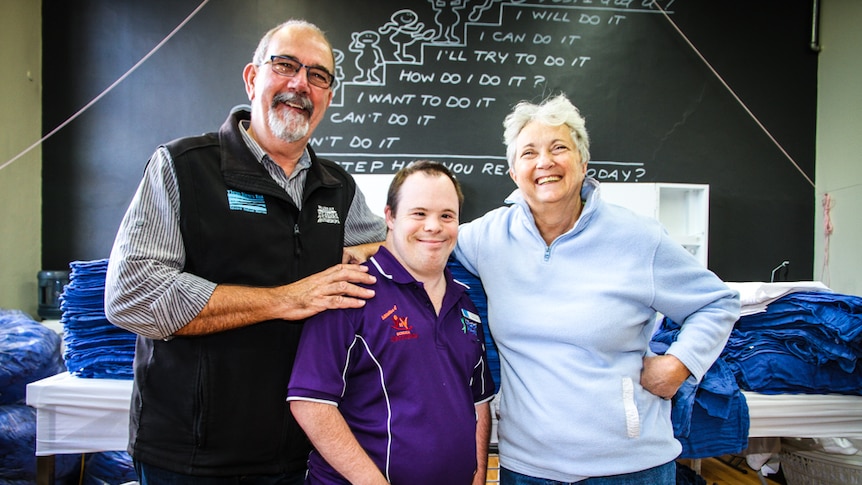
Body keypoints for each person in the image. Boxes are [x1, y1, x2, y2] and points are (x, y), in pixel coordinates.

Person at [104, 19, 387, 484]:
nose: (300, 83)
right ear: (253, 78)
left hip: (301, 454)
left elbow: (382, 252)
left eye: (318, 75)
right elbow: (131, 296)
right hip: (192, 458)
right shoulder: (183, 167)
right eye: (285, 65)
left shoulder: (337, 187)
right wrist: (286, 299)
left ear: (328, 97)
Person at [453, 94, 741, 484]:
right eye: (529, 153)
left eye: (559, 148)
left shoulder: (638, 237)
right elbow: (419, 240)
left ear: (583, 163)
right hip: (528, 468)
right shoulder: (487, 237)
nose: (545, 162)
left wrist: (680, 364)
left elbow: (717, 302)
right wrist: (360, 250)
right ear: (513, 173)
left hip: (628, 467)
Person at [288, 161, 496, 485]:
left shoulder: (465, 303)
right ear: (390, 216)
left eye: (446, 216)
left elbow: (478, 402)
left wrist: (478, 478)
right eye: (419, 213)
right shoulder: (350, 291)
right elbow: (310, 403)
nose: (433, 227)